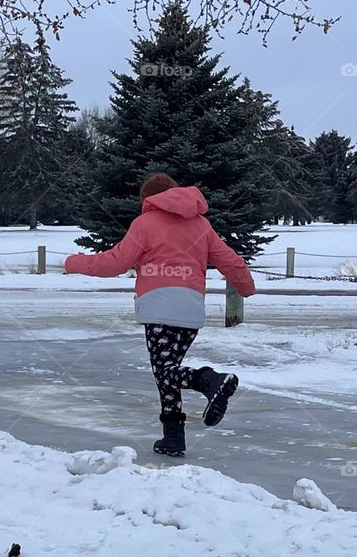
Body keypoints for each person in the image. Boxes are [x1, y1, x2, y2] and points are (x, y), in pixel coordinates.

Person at [64, 173, 256, 457]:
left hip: (158, 306)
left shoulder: (145, 224)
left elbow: (115, 262)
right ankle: (173, 438)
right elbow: (229, 259)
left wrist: (74, 262)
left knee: (165, 371)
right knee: (168, 372)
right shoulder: (201, 225)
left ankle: (210, 381)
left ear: (148, 199)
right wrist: (246, 286)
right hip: (191, 308)